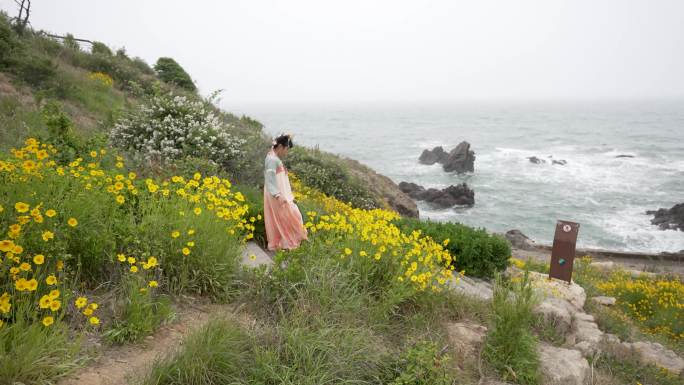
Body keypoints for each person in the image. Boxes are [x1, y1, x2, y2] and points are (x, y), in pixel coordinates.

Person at [263, 134, 308, 251]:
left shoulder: (273, 156)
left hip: (279, 193)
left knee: (283, 216)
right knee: (288, 215)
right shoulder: (272, 159)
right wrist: (278, 195)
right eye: (286, 149)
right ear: (281, 147)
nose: (287, 152)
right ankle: (287, 242)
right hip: (277, 194)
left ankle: (285, 241)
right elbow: (270, 178)